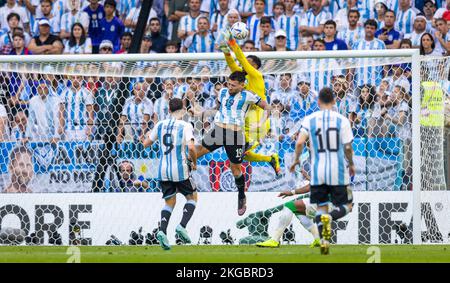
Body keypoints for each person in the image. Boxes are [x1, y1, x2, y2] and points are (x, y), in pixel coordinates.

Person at [195, 71, 272, 216]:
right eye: (229, 84)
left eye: (233, 85)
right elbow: (217, 108)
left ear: (242, 85)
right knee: (196, 152)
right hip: (218, 130)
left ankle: (241, 195)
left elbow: (267, 107)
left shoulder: (248, 95)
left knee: (235, 169)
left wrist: (261, 123)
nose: (229, 87)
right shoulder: (223, 92)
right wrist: (203, 113)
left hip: (235, 135)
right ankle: (184, 180)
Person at [289, 87, 355, 255]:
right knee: (348, 205)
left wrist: (296, 159)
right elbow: (348, 147)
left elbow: (299, 143)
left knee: (321, 207)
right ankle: (331, 219)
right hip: (338, 169)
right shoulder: (342, 120)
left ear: (318, 102)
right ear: (334, 102)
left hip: (318, 170)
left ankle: (325, 241)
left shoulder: (310, 119)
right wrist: (351, 163)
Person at [219, 29, 281, 178]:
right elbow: (233, 64)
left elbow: (241, 60)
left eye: (249, 63)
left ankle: (271, 158)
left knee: (242, 151)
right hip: (245, 120)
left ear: (255, 67)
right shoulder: (243, 80)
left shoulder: (257, 76)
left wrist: (233, 43)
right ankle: (270, 158)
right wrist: (224, 49)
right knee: (242, 155)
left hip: (259, 119)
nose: (245, 65)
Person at [142, 98, 198, 250]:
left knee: (169, 203)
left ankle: (162, 231)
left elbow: (146, 144)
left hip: (163, 171)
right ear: (183, 110)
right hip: (180, 170)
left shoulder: (160, 124)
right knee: (192, 198)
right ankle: (181, 226)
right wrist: (194, 163)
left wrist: (146, 132)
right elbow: (192, 148)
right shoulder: (185, 125)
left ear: (168, 110)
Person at [256, 177, 321, 248]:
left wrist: (291, 192)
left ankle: (275, 240)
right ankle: (318, 238)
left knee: (289, 206)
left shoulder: (322, 167)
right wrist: (308, 177)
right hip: (331, 201)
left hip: (325, 201)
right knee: (298, 210)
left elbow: (311, 186)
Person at [60, 72, 94, 141]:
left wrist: (90, 128)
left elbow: (90, 112)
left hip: (82, 129)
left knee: (81, 150)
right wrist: (61, 127)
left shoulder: (86, 92)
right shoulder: (64, 92)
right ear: (70, 78)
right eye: (73, 77)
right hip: (68, 129)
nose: (75, 80)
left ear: (81, 78)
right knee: (68, 150)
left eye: (78, 77)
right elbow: (61, 112)